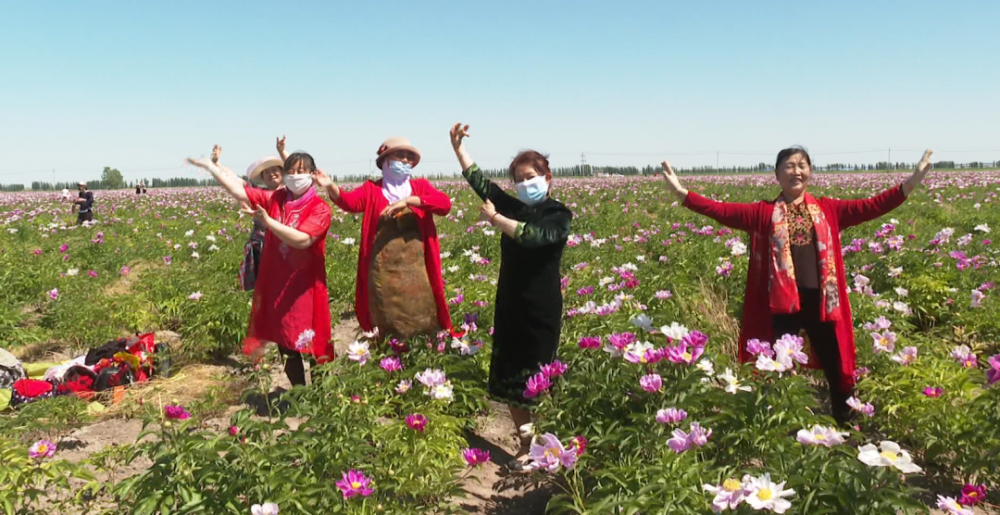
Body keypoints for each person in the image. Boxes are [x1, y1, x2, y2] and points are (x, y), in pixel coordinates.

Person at [659, 147, 935, 424]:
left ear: (810, 172)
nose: (796, 171)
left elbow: (875, 205)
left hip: (822, 303)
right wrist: (681, 193)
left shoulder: (829, 209)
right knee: (773, 366)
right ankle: (773, 425)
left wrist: (912, 180)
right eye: (789, 166)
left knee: (836, 363)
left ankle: (846, 421)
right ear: (777, 174)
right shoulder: (763, 213)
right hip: (781, 306)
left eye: (802, 165)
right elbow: (721, 210)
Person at [449, 123, 572, 470]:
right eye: (519, 179)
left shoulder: (558, 214)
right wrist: (459, 151)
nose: (524, 183)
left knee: (539, 376)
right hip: (511, 304)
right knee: (513, 378)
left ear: (547, 177)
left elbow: (532, 237)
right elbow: (482, 185)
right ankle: (527, 445)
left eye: (531, 176)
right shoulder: (514, 207)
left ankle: (552, 448)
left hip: (541, 309)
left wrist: (497, 219)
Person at [187, 149, 333, 386]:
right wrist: (210, 167)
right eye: (291, 171)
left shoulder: (320, 208)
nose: (295, 176)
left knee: (314, 343)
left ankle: (319, 396)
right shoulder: (276, 199)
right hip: (277, 283)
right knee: (285, 340)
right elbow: (239, 189)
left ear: (313, 175)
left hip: (306, 288)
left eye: (301, 171)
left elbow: (302, 240)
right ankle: (299, 394)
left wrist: (268, 222)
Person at [312, 136, 455, 339]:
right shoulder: (373, 189)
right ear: (385, 160)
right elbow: (349, 203)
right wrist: (330, 185)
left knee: (422, 308)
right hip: (383, 268)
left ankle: (422, 345)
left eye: (409, 157)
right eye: (400, 155)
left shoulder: (420, 187)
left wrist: (411, 201)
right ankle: (391, 352)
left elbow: (444, 205)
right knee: (385, 311)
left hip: (417, 267)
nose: (406, 160)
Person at [211, 143, 285, 291]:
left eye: (275, 170)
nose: (271, 174)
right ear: (263, 178)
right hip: (260, 243)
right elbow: (235, 179)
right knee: (262, 285)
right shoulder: (255, 192)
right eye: (267, 172)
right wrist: (216, 164)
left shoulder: (291, 193)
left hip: (284, 244)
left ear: (283, 173)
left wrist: (283, 151)